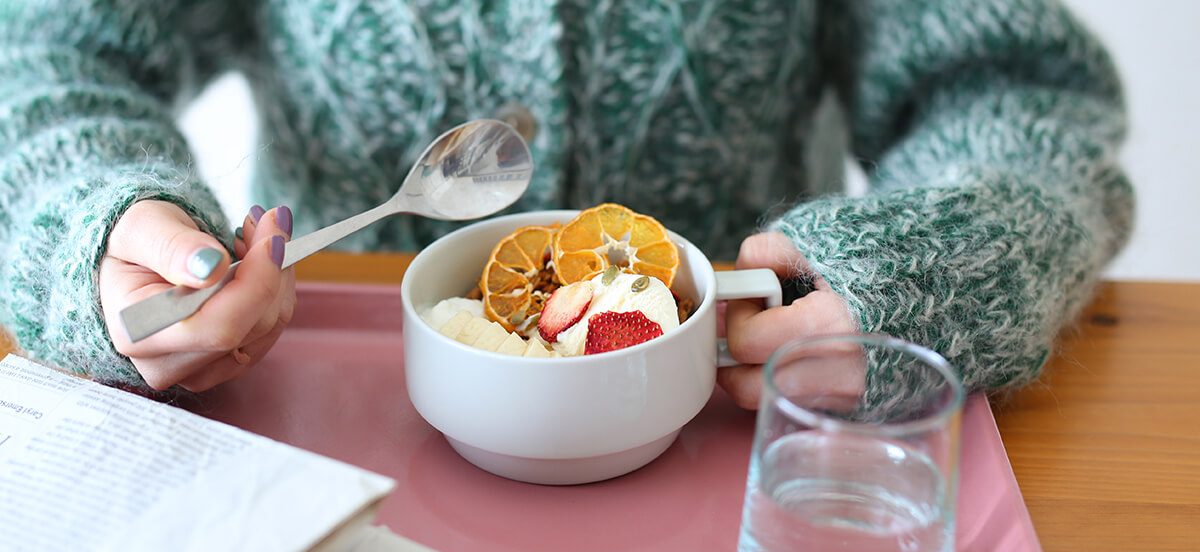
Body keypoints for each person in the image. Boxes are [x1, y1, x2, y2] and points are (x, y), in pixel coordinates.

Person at [0, 1, 1132, 407]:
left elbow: (1015, 91)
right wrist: (100, 225)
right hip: (314, 418)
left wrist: (948, 266)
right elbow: (49, 55)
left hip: (744, 412)